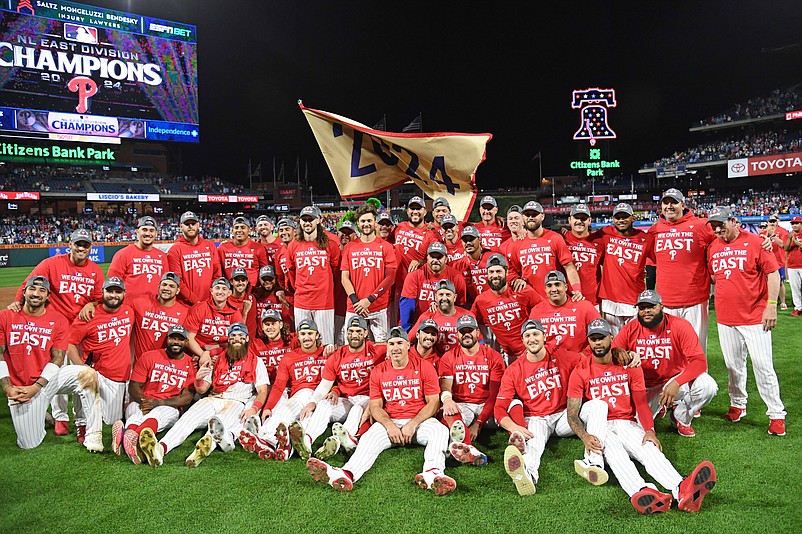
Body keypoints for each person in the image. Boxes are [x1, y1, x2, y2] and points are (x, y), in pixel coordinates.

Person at [567, 318, 716, 515]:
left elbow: (641, 403)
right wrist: (585, 436)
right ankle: (642, 490)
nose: (598, 343)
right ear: (589, 341)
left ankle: (681, 488)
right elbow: (572, 414)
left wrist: (649, 430)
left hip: (627, 422)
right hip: (601, 425)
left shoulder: (629, 364)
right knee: (616, 456)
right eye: (593, 339)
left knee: (649, 450)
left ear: (611, 338)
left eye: (601, 338)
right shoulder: (580, 371)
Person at [306, 327, 455, 495]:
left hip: (418, 422)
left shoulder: (424, 366)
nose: (395, 348)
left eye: (400, 343)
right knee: (369, 439)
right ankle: (346, 473)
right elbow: (375, 406)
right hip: (390, 421)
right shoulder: (378, 371)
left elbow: (433, 402)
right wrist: (389, 426)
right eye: (391, 344)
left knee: (440, 431)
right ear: (387, 347)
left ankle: (432, 473)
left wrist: (413, 424)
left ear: (408, 345)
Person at [494, 319, 605, 496]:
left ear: (544, 336)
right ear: (522, 340)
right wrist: (514, 427)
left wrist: (619, 352)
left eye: (536, 334)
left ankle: (594, 462)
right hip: (537, 418)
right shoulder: (514, 370)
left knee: (598, 406)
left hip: (564, 416)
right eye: (527, 336)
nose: (532, 339)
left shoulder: (562, 356)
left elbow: (592, 360)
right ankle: (528, 476)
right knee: (534, 445)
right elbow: (499, 407)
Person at [10, 228, 104, 436]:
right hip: (54, 328)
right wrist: (18, 302)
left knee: (81, 375)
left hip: (80, 330)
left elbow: (98, 297)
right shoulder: (51, 264)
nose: (81, 248)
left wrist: (92, 303)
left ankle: (81, 420)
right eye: (78, 243)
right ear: (69, 244)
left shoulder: (95, 271)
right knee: (53, 372)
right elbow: (29, 284)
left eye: (85, 245)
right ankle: (60, 417)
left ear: (90, 247)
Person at [138, 322, 269, 467]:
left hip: (237, 402)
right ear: (229, 339)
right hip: (213, 398)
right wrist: (198, 378)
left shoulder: (256, 362)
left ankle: (201, 449)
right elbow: (201, 389)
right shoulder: (218, 359)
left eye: (240, 336)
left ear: (247, 339)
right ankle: (161, 448)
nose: (236, 339)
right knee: (187, 420)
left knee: (218, 424)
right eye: (233, 336)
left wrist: (254, 408)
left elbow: (262, 390)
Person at [706, 206, 786, 436]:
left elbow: (772, 273)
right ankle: (738, 404)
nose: (718, 230)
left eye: (721, 224)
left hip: (754, 317)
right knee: (733, 366)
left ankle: (776, 413)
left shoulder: (755, 242)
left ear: (734, 221)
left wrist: (771, 305)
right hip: (725, 317)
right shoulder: (713, 247)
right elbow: (714, 276)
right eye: (714, 226)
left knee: (763, 366)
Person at [0, 276, 103, 452]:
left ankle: (93, 436)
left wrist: (38, 386)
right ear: (24, 292)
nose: (36, 294)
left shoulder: (58, 320)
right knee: (28, 444)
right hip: (22, 386)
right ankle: (42, 415)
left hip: (48, 379)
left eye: (42, 291)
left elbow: (58, 357)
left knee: (88, 375)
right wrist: (8, 388)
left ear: (48, 297)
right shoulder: (5, 317)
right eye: (32, 289)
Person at [613, 290, 717, 437]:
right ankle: (659, 407)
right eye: (642, 308)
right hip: (644, 388)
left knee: (707, 386)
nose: (646, 311)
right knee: (636, 429)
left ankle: (681, 417)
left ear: (661, 307)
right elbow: (613, 352)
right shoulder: (631, 327)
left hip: (672, 381)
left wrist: (676, 383)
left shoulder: (679, 325)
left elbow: (699, 362)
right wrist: (621, 352)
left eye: (651, 307)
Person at [292, 315, 387, 460]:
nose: (354, 335)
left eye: (358, 331)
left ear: (366, 333)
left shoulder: (377, 350)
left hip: (368, 399)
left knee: (358, 409)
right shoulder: (337, 356)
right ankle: (307, 441)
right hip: (347, 399)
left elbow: (401, 347)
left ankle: (340, 440)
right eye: (351, 331)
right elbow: (325, 385)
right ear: (346, 333)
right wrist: (313, 402)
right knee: (324, 404)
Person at [241, 318, 328, 460]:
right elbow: (279, 385)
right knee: (283, 412)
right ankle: (267, 441)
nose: (306, 337)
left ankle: (283, 445)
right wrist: (268, 407)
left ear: (317, 335)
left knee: (304, 421)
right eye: (303, 334)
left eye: (310, 334)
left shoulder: (327, 353)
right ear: (298, 336)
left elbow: (334, 378)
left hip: (320, 395)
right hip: (299, 394)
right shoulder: (289, 357)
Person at [111, 324, 195, 464]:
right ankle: (132, 440)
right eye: (172, 338)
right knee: (136, 412)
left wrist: (158, 403)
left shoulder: (190, 364)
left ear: (186, 342)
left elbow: (187, 397)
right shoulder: (149, 356)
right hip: (144, 400)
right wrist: (145, 401)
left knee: (157, 414)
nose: (176, 342)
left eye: (180, 339)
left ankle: (128, 436)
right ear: (167, 339)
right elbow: (134, 385)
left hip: (169, 406)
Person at [647, 189, 717, 350]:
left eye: (674, 202)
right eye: (666, 203)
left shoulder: (701, 225)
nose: (669, 206)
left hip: (695, 299)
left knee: (696, 348)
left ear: (683, 205)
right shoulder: (655, 230)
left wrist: (760, 240)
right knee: (670, 349)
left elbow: (725, 236)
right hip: (665, 301)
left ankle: (698, 376)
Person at [67, 277, 134, 440]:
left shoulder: (129, 311)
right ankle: (81, 424)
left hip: (120, 375)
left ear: (124, 294)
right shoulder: (89, 315)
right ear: (102, 293)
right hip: (97, 372)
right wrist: (81, 367)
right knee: (81, 380)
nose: (113, 295)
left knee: (111, 420)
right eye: (109, 291)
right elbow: (69, 344)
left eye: (118, 292)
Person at [439, 315, 505, 466]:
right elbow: (446, 387)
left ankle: (518, 442)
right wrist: (447, 399)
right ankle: (468, 448)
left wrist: (479, 423)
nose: (466, 334)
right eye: (463, 331)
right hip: (464, 405)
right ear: (457, 335)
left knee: (514, 403)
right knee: (449, 409)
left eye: (470, 330)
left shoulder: (493, 356)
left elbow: (495, 395)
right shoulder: (449, 357)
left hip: (488, 407)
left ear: (477, 333)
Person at [341, 204, 398, 343]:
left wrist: (369, 300)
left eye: (369, 221)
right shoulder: (350, 247)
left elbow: (390, 278)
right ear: (358, 224)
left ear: (375, 222)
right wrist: (357, 302)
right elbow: (344, 278)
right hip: (354, 307)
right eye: (363, 221)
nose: (366, 224)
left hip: (378, 307)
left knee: (381, 347)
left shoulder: (386, 247)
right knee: (351, 346)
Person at [471, 253, 542, 363]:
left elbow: (544, 309)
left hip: (530, 350)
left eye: (498, 271)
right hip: (505, 355)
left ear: (507, 272)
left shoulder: (522, 290)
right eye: (491, 272)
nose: (495, 275)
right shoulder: (481, 301)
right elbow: (471, 323)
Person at [596, 203, 654, 335]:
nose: (621, 220)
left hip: (635, 298)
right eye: (618, 217)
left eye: (625, 217)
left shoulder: (646, 239)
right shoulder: (605, 234)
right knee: (616, 345)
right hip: (611, 299)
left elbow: (660, 261)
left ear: (633, 218)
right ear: (613, 219)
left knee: (636, 343)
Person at [287, 206, 342, 346]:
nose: (307, 223)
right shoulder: (293, 246)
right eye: (304, 220)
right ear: (299, 222)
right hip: (301, 302)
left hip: (324, 303)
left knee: (326, 345)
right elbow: (291, 274)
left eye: (310, 219)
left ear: (318, 220)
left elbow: (337, 274)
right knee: (303, 344)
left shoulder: (330, 245)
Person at [507, 201, 583, 301]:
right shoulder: (516, 245)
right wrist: (516, 279)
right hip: (530, 300)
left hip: (554, 299)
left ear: (542, 216)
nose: (530, 217)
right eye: (527, 215)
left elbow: (569, 266)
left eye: (534, 214)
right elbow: (512, 270)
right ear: (523, 217)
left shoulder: (555, 238)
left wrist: (577, 289)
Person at [529, 270, 600, 353]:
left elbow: (601, 334)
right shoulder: (536, 311)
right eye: (549, 285)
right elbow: (532, 341)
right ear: (545, 289)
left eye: (557, 284)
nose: (554, 289)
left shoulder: (585, 307)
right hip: (549, 361)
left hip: (578, 360)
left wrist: (584, 355)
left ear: (566, 287)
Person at [400, 242, 466, 330]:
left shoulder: (457, 277)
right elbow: (407, 308)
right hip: (420, 326)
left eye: (439, 257)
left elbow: (460, 307)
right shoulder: (414, 275)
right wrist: (407, 331)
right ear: (427, 257)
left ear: (446, 259)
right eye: (432, 257)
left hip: (447, 325)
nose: (435, 260)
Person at [167, 211, 222, 307]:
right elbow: (177, 280)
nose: (190, 226)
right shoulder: (174, 250)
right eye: (187, 224)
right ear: (181, 226)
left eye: (193, 223)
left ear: (198, 225)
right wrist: (196, 301)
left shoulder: (210, 246)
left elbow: (217, 274)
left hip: (210, 303)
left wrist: (212, 297)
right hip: (185, 305)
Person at [184, 277, 244, 366]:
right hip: (198, 354)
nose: (220, 292)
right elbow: (189, 338)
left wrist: (217, 351)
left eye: (224, 289)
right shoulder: (199, 308)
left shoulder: (235, 312)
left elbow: (239, 340)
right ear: (211, 291)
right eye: (217, 288)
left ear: (229, 293)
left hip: (224, 355)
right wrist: (203, 355)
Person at [129, 272, 188, 360]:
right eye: (164, 285)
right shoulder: (140, 303)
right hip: (140, 364)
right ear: (158, 287)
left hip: (165, 366)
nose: (166, 288)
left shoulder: (184, 312)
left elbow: (190, 338)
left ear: (178, 290)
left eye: (171, 286)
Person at [107, 216, 168, 300]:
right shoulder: (123, 254)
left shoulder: (162, 256)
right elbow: (113, 283)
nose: (147, 234)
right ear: (137, 232)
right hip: (130, 307)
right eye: (144, 230)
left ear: (156, 233)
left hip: (154, 308)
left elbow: (166, 283)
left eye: (151, 230)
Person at [409, 279, 474, 355]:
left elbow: (478, 341)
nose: (444, 298)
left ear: (455, 297)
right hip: (434, 361)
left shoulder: (467, 316)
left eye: (448, 295)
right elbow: (409, 340)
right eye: (441, 294)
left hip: (459, 361)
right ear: (435, 297)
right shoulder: (427, 316)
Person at [562, 204, 602, 308]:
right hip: (566, 299)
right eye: (576, 218)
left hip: (592, 301)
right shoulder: (560, 239)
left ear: (589, 221)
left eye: (584, 218)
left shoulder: (599, 242)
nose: (580, 221)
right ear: (569, 220)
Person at [218, 216, 268, 286]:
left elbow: (264, 272)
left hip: (253, 291)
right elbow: (218, 272)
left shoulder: (259, 248)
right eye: (236, 227)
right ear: (232, 231)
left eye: (242, 227)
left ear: (249, 231)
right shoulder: (223, 248)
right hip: (230, 291)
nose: (239, 230)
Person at [451, 225, 494, 307]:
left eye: (471, 239)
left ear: (480, 239)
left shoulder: (492, 257)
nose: (468, 243)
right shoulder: (458, 265)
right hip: (471, 308)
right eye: (465, 240)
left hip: (493, 304)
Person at [762, 215, 790, 310]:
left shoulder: (782, 231)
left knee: (780, 282)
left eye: (774, 221)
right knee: (765, 283)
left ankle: (782, 302)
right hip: (766, 261)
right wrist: (767, 234)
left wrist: (773, 235)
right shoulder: (764, 232)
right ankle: (767, 301)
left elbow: (783, 244)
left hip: (779, 261)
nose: (772, 223)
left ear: (778, 221)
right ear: (768, 222)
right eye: (771, 221)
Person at [785, 216, 802, 316]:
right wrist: (790, 239)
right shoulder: (790, 235)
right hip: (792, 265)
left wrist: (795, 241)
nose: (794, 225)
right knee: (795, 288)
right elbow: (786, 248)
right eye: (793, 224)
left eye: (796, 223)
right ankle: (798, 308)